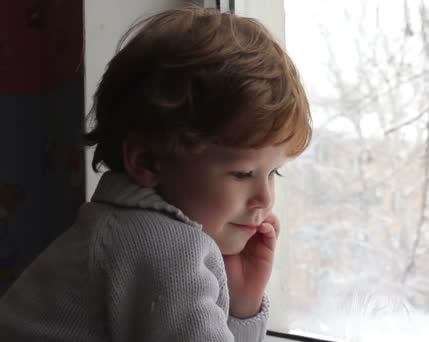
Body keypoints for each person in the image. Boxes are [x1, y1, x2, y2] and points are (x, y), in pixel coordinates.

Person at [0, 5, 311, 341]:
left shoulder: (116, 226)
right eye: (241, 174)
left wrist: (242, 303)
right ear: (147, 161)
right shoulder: (163, 246)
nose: (264, 198)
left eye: (273, 173)